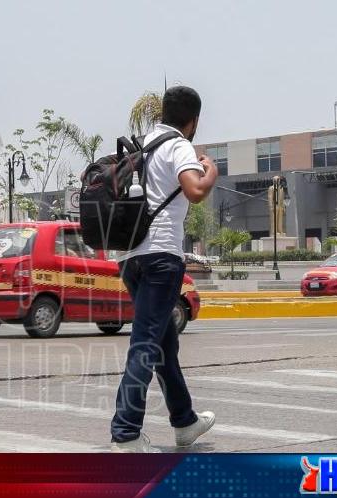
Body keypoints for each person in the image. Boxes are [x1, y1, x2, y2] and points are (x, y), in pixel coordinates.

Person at [109, 86, 218, 453]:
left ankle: (184, 422)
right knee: (145, 343)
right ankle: (125, 434)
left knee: (162, 344)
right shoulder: (179, 145)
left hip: (130, 257)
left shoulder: (145, 144)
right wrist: (210, 171)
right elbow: (195, 191)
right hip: (161, 257)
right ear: (193, 121)